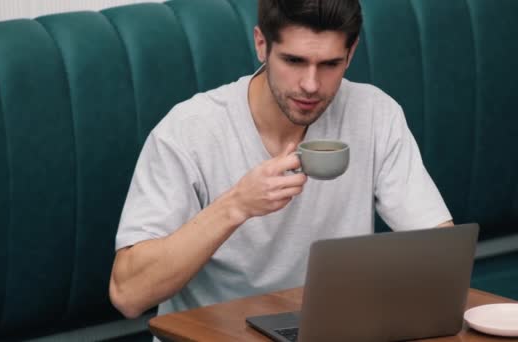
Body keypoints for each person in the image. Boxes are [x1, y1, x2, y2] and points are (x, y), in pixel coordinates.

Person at [109, 0, 453, 321]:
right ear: (262, 45)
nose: (310, 85)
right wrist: (237, 205)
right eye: (294, 61)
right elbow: (128, 294)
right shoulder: (188, 132)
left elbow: (442, 253)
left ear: (351, 53)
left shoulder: (376, 115)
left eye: (330, 64)